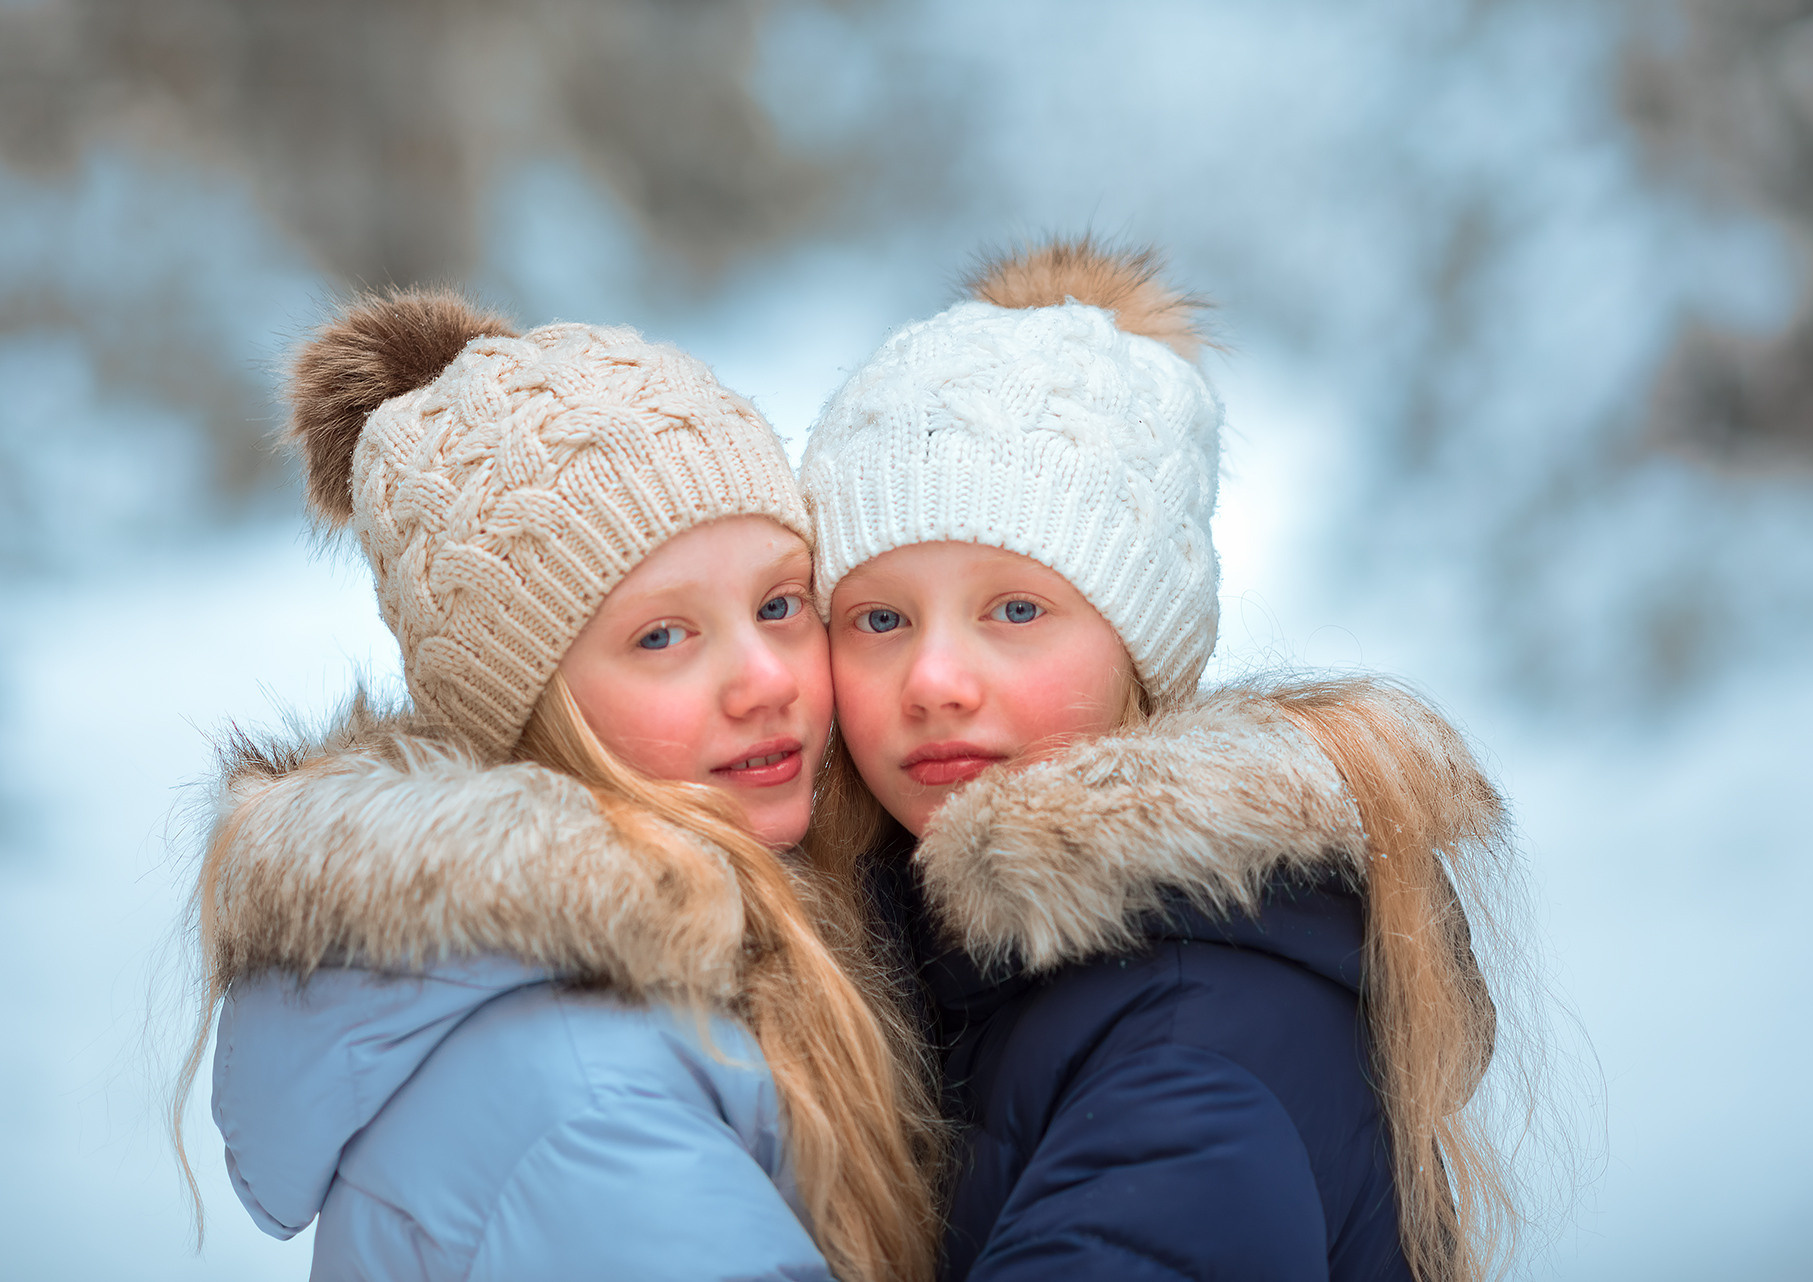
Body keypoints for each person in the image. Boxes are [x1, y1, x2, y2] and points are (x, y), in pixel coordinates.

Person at [174, 289, 938, 1282]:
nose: (767, 679)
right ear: (521, 710)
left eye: (779, 602)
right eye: (662, 635)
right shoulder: (587, 1099)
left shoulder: (732, 951)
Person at [801, 239, 1522, 1282]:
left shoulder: (1191, 1043)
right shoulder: (918, 951)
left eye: (1017, 609)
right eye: (879, 617)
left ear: (1145, 655)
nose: (934, 678)